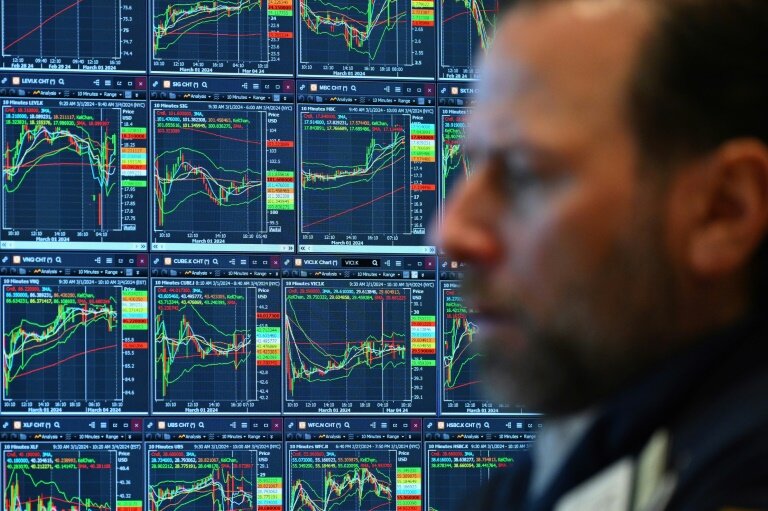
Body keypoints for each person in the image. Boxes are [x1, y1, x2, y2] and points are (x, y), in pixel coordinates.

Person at [438, 0, 768, 509]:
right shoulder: (601, 446)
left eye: (523, 173)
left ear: (724, 211)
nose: (450, 233)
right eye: (473, 164)